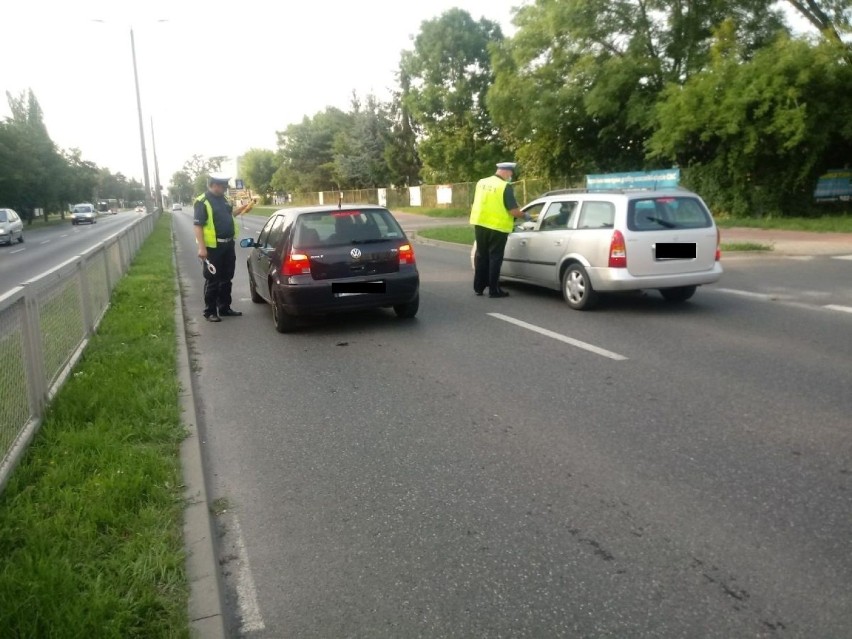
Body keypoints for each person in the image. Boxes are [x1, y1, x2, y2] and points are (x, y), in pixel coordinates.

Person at [193, 173, 251, 322]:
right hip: (213, 247)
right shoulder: (202, 201)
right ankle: (210, 311)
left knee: (227, 277)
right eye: (222, 186)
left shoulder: (224, 199)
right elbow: (198, 225)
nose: (225, 188)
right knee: (213, 279)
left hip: (228, 244)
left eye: (225, 185)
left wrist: (244, 208)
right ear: (213, 185)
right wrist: (202, 248)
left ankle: (224, 307)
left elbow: (230, 215)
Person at [469, 161, 527, 297]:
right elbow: (513, 210)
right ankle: (494, 290)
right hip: (497, 227)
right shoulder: (504, 186)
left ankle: (479, 287)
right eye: (511, 173)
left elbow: (475, 201)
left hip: (480, 224)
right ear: (506, 171)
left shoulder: (481, 182)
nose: (511, 176)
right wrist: (525, 215)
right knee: (495, 258)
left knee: (481, 255)